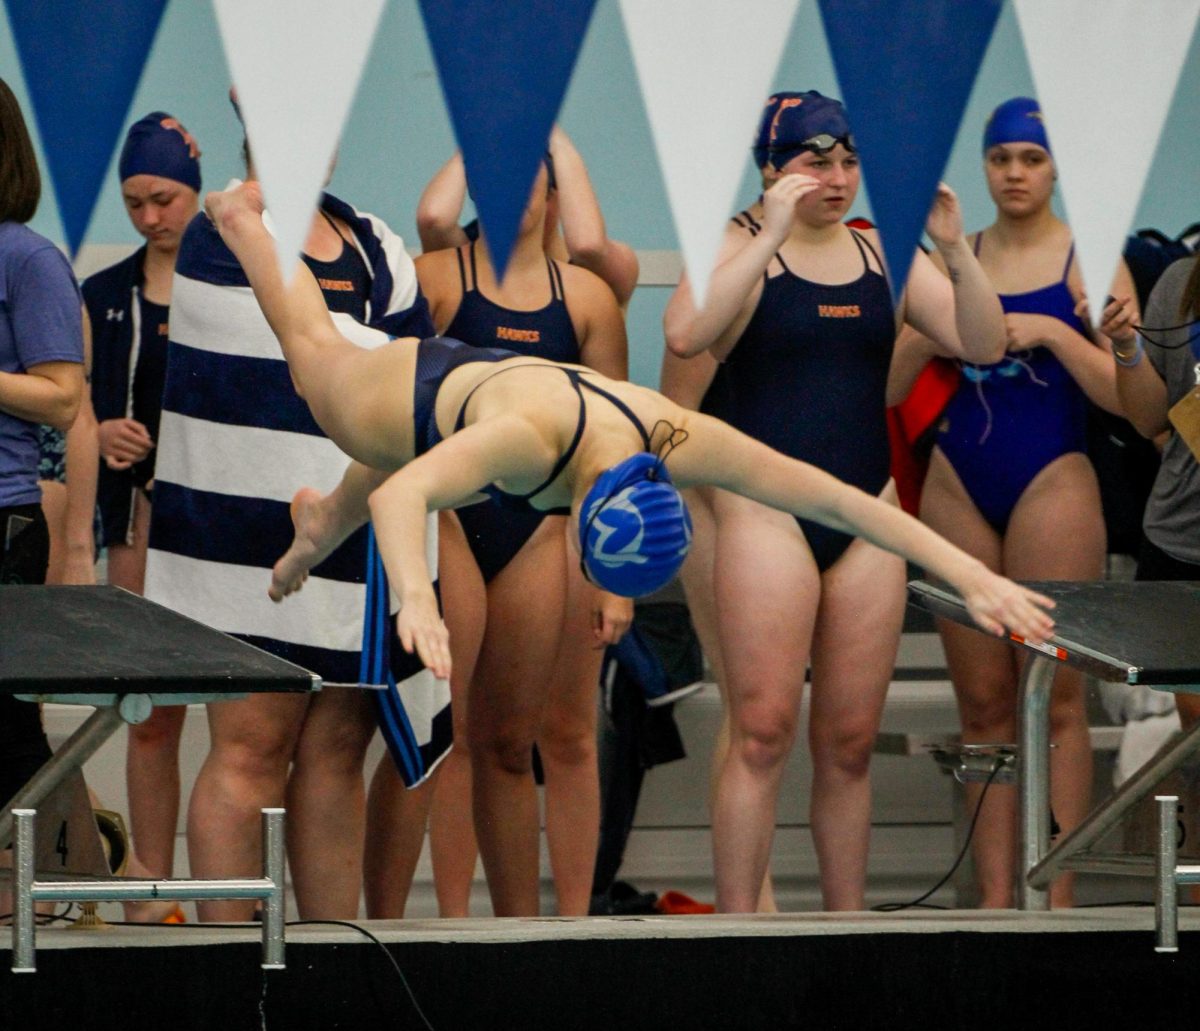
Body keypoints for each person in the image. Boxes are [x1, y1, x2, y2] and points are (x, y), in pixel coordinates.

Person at [201, 178, 1056, 893]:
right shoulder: (530, 446)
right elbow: (408, 497)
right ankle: (242, 218)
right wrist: (418, 602)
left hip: (489, 413)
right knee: (320, 359)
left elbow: (838, 496)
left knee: (388, 467)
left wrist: (971, 574)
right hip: (425, 390)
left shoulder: (669, 434)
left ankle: (316, 519)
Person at [662, 90, 1017, 912]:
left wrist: (958, 254)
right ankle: (738, 938)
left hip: (868, 513)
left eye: (850, 161)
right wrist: (771, 232)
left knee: (850, 744)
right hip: (766, 516)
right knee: (760, 735)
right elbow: (685, 334)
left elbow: (984, 343)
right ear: (771, 168)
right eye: (816, 160)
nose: (838, 177)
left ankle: (846, 932)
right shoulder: (733, 245)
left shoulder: (883, 253)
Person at [143, 97, 438, 922]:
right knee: (252, 745)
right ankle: (230, 963)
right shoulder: (221, 227)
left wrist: (393, 367)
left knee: (338, 746)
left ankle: (329, 956)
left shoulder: (376, 243)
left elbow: (411, 380)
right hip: (239, 534)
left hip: (351, 528)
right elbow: (334, 352)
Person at [914, 98, 1129, 908]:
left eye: (1030, 159)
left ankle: (1059, 897)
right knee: (985, 704)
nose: (1013, 173)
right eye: (1000, 157)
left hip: (1052, 477)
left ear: (1055, 166)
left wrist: (1058, 334)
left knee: (1056, 698)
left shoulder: (1090, 258)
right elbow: (888, 385)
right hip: (957, 478)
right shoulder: (953, 253)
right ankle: (998, 898)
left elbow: (1129, 403)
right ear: (983, 164)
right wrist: (930, 329)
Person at [402, 159, 628, 916]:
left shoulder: (588, 297)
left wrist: (613, 575)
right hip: (456, 519)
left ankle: (528, 936)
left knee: (512, 740)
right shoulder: (434, 278)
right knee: (450, 734)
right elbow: (392, 409)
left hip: (541, 528)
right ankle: (447, 929)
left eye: (525, 174)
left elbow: (615, 447)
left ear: (555, 191)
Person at [81, 111, 202, 888]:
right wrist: (96, 432)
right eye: (133, 203)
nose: (151, 217)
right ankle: (150, 889)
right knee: (151, 717)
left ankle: (230, 889)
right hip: (136, 526)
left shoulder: (238, 286)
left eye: (164, 198)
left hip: (222, 526)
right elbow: (65, 405)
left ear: (194, 187)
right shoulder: (101, 294)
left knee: (244, 726)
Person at [0, 75, 85, 820]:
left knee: (7, 727)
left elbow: (63, 397)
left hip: (4, 520)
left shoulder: (29, 260)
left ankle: (79, 886)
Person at [1100, 258, 1200, 727]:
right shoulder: (1181, 280)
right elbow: (1149, 419)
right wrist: (1127, 348)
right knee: (1196, 724)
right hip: (1183, 537)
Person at [416, 127, 639, 309]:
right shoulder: (467, 256)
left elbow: (588, 246)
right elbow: (434, 219)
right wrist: (475, 140)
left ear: (559, 196)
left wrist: (554, 137)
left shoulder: (605, 269)